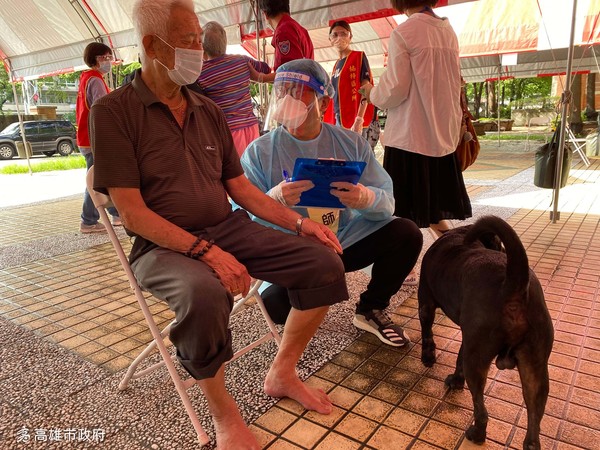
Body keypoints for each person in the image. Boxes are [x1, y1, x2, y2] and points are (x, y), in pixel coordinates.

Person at [90, 1, 348, 449]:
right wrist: (206, 253)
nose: (199, 50)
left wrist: (301, 226)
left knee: (323, 261)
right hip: (161, 246)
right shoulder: (114, 113)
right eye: (188, 41)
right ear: (153, 45)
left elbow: (242, 189)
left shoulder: (206, 108)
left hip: (226, 226)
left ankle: (282, 373)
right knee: (204, 293)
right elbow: (131, 213)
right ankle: (224, 416)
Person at [241, 59, 423, 347]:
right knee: (276, 306)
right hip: (291, 248)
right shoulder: (259, 152)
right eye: (282, 90)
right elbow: (242, 217)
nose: (287, 99)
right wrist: (274, 200)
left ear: (324, 102)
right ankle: (315, 293)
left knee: (407, 234)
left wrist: (365, 197)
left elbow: (387, 202)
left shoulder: (351, 144)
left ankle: (371, 308)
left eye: (298, 91)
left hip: (341, 240)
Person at [361, 0, 472, 238]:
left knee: (399, 211)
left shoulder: (404, 32)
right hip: (441, 136)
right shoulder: (448, 32)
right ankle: (457, 251)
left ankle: (404, 265)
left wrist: (371, 92)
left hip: (410, 137)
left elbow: (395, 89)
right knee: (432, 208)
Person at [195, 21, 271, 156]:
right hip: (251, 127)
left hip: (228, 130)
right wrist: (253, 74)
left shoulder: (201, 72)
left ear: (204, 47)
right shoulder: (241, 60)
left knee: (236, 173)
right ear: (225, 42)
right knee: (252, 168)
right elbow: (265, 68)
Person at [76, 42, 120, 233]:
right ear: (97, 58)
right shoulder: (95, 79)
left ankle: (116, 214)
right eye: (107, 57)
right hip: (94, 139)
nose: (109, 61)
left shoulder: (86, 78)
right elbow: (104, 109)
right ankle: (88, 220)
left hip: (86, 137)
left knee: (102, 177)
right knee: (95, 180)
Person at [323, 21, 377, 141]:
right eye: (335, 35)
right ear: (330, 39)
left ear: (350, 37)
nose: (339, 38)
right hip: (338, 117)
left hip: (353, 118)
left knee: (354, 155)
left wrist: (359, 119)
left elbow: (365, 88)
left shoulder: (358, 57)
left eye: (343, 34)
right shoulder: (336, 64)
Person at [255, 0, 314, 83]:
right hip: (303, 91)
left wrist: (261, 78)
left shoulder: (284, 31)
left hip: (295, 93)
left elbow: (288, 74)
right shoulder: (300, 29)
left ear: (265, 14)